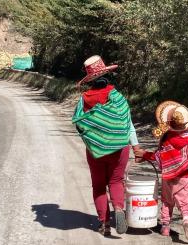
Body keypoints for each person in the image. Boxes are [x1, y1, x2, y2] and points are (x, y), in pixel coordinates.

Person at [72, 55, 142, 236]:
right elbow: (128, 124)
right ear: (106, 75)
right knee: (116, 181)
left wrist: (94, 139)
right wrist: (136, 147)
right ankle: (118, 208)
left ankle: (104, 223)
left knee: (98, 185)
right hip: (120, 147)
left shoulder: (85, 98)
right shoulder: (117, 97)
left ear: (90, 80)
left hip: (96, 150)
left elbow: (81, 124)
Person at [135, 101, 188, 241]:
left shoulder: (168, 138)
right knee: (184, 201)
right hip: (184, 175)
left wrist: (145, 155)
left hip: (168, 176)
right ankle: (186, 220)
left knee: (167, 201)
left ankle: (165, 227)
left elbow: (160, 157)